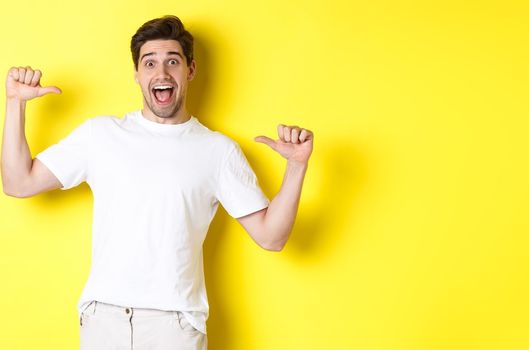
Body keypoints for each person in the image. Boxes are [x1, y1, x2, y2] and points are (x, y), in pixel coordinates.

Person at [1, 15, 313, 350]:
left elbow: (272, 237)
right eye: (149, 63)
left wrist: (296, 166)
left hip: (174, 326)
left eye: (172, 62)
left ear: (190, 70)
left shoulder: (217, 151)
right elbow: (18, 182)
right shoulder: (101, 135)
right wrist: (15, 102)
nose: (161, 73)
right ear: (137, 74)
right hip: (103, 320)